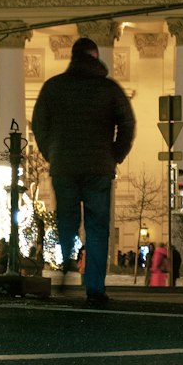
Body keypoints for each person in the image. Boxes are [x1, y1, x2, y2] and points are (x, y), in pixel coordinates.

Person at [31, 35, 136, 307]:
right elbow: (127, 124)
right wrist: (115, 155)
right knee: (98, 227)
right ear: (95, 56)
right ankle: (95, 287)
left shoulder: (53, 87)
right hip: (99, 167)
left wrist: (51, 153)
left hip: (64, 166)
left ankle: (68, 261)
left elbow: (39, 125)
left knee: (66, 220)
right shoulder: (109, 89)